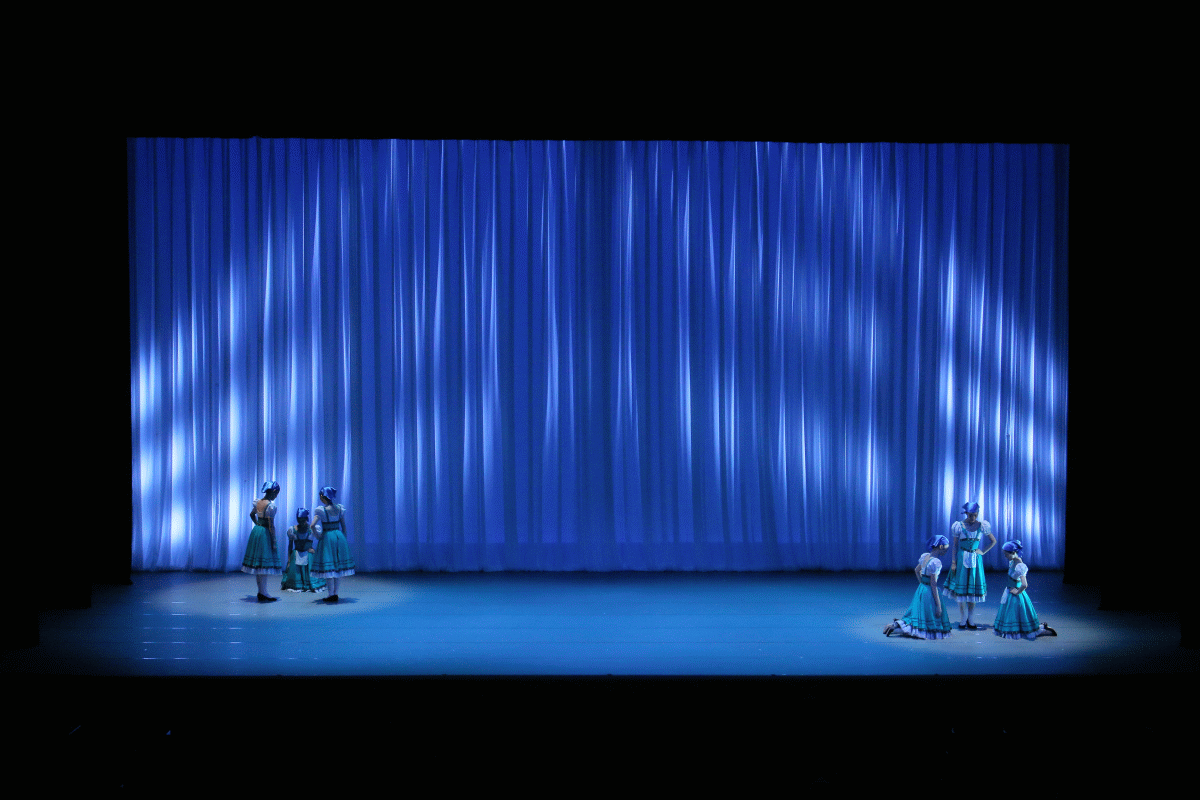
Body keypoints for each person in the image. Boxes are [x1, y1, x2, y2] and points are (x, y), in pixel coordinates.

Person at [884, 535, 953, 639]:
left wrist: (922, 584)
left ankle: (894, 626)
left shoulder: (925, 557)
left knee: (917, 614)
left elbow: (917, 570)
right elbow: (933, 585)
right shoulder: (936, 562)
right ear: (941, 547)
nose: (946, 551)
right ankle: (897, 628)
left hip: (922, 589)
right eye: (946, 549)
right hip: (929, 591)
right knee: (928, 615)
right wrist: (939, 606)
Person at [942, 501, 996, 629]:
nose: (973, 517)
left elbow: (993, 541)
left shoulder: (982, 525)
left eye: (975, 515)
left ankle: (971, 618)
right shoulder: (959, 526)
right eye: (971, 515)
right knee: (961, 590)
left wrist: (982, 551)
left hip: (975, 560)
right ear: (966, 513)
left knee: (972, 590)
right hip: (962, 559)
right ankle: (963, 617)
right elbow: (955, 546)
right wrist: (953, 562)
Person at [993, 540, 1057, 639]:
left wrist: (1017, 591)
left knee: (1019, 614)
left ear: (1013, 552)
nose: (1005, 556)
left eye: (1006, 554)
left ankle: (1042, 630)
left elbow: (1024, 584)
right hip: (1010, 592)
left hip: (1015, 595)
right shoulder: (1012, 561)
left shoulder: (1020, 565)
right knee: (1013, 614)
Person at [311, 486, 355, 602]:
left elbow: (312, 525)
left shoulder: (321, 510)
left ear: (322, 496)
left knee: (329, 566)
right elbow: (344, 526)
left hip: (327, 538)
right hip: (338, 537)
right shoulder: (339, 508)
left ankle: (331, 594)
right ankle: (335, 593)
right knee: (337, 566)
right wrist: (344, 540)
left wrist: (317, 536)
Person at [242, 480, 282, 602]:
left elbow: (252, 514)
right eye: (276, 493)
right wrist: (273, 541)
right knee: (263, 565)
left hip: (257, 532)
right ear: (273, 492)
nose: (276, 496)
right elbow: (271, 525)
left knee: (259, 565)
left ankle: (261, 591)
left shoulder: (258, 502)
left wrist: (257, 524)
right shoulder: (270, 506)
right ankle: (263, 592)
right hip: (264, 534)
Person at [280, 508, 327, 593]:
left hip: (308, 555)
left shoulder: (312, 529)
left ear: (306, 519)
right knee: (295, 574)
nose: (301, 522)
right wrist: (289, 561)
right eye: (299, 520)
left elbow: (321, 540)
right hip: (296, 554)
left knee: (310, 572)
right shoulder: (292, 529)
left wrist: (315, 551)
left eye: (303, 520)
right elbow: (290, 546)